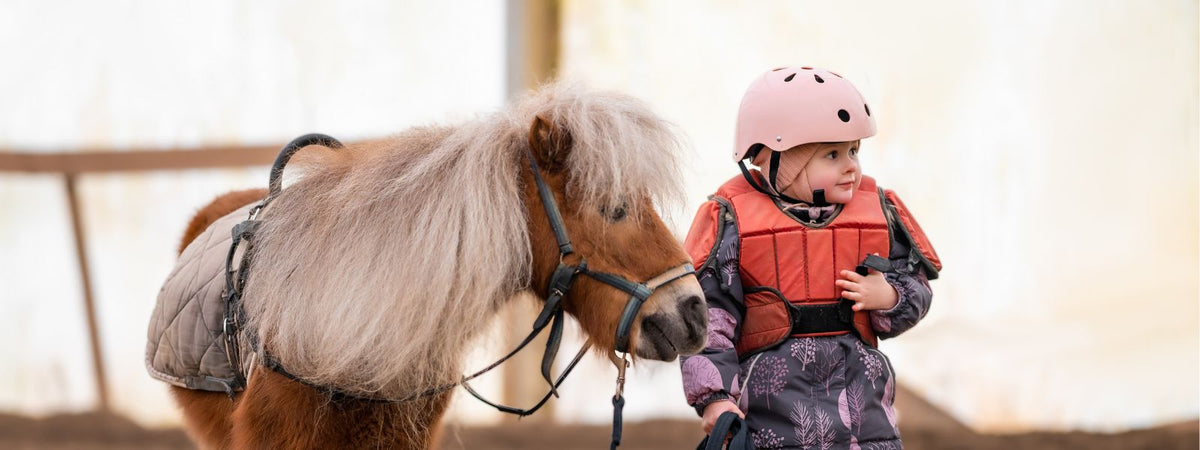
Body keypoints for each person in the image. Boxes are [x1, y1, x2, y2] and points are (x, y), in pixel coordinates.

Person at [681, 66, 942, 449]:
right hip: (772, 428)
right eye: (832, 155)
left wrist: (890, 296)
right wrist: (715, 399)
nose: (851, 165)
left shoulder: (878, 214)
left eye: (854, 150)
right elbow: (708, 322)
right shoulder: (733, 223)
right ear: (779, 161)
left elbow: (917, 286)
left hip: (866, 428)